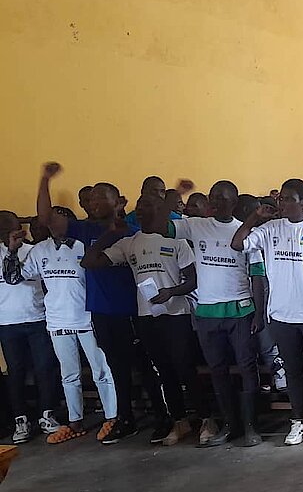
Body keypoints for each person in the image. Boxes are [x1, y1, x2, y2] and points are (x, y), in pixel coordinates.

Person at [37, 163, 169, 444]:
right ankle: (125, 419)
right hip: (101, 311)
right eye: (92, 197)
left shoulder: (132, 232)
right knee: (116, 367)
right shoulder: (85, 229)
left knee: (144, 367)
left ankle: (162, 418)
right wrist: (45, 179)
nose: (94, 202)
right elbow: (46, 218)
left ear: (117, 200)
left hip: (132, 311)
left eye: (101, 197)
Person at [83, 194, 200, 446]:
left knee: (185, 369)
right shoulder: (130, 243)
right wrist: (109, 234)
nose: (140, 209)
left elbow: (192, 280)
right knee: (165, 372)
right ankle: (180, 422)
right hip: (147, 317)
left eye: (147, 205)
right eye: (139, 205)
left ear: (160, 210)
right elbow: (89, 261)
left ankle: (206, 420)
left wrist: (171, 292)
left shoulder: (177, 242)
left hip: (176, 315)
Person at [233, 179, 303, 445]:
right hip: (281, 314)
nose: (281, 203)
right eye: (280, 198)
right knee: (291, 370)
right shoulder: (270, 229)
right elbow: (237, 244)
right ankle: (298, 422)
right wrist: (254, 217)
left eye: (288, 199)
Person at [3, 207, 117, 443]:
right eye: (50, 222)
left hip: (87, 318)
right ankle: (75, 420)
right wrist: (12, 251)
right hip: (57, 321)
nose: (52, 225)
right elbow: (13, 278)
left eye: (57, 221)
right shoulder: (40, 250)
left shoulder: (83, 246)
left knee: (101, 371)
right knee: (69, 375)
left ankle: (112, 417)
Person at [166, 180, 265, 447]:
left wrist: (259, 313)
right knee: (217, 370)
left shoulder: (245, 232)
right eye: (213, 197)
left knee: (247, 367)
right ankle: (230, 425)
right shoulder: (195, 226)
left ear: (234, 202)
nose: (216, 202)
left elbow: (257, 276)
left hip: (240, 310)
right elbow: (160, 225)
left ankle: (251, 426)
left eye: (222, 198)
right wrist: (174, 196)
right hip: (207, 313)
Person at [0, 211, 63, 443]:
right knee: (15, 372)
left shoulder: (33, 251)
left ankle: (47, 414)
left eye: (12, 228)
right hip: (7, 323)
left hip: (37, 319)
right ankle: (21, 420)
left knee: (44, 368)